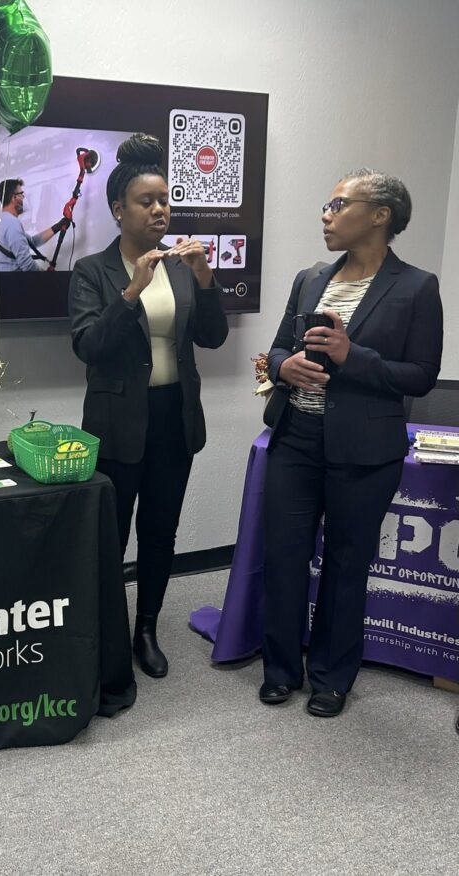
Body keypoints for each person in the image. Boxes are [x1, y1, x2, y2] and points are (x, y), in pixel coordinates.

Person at [259, 169, 443, 717]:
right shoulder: (310, 278)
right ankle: (280, 669)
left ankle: (332, 677)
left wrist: (350, 356)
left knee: (345, 563)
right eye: (327, 204)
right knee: (283, 555)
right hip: (296, 438)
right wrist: (283, 366)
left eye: (339, 204)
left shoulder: (417, 287)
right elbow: (278, 348)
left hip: (365, 450)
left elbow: (422, 376)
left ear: (380, 215)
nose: (326, 214)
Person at [68, 133, 229, 677]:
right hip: (117, 423)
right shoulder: (93, 271)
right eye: (146, 201)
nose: (160, 210)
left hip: (173, 420)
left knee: (160, 532)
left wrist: (206, 279)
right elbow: (88, 346)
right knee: (111, 536)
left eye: (165, 200)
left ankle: (146, 630)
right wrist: (131, 292)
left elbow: (212, 337)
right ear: (119, 209)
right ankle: (108, 634)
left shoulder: (182, 267)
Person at [0, 178, 69, 272]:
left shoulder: (4, 222)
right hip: (13, 280)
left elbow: (32, 242)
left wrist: (57, 227)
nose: (24, 198)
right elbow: (26, 264)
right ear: (14, 198)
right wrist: (46, 277)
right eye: (21, 194)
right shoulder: (12, 224)